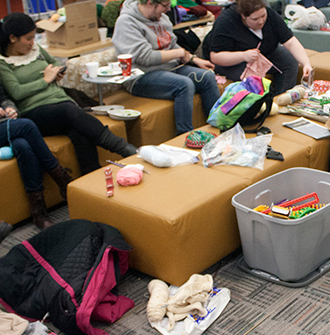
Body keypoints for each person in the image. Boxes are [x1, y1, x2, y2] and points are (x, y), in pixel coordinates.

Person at [0, 13, 137, 175]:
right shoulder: (3, 62)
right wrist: (46, 80)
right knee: (70, 111)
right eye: (28, 39)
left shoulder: (36, 49)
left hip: (60, 103)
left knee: (79, 132)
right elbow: (16, 92)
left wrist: (57, 72)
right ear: (13, 38)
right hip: (34, 111)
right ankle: (125, 148)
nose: (32, 43)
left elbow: (55, 63)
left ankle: (92, 176)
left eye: (33, 38)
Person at [112, 0, 221, 134]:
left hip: (169, 68)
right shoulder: (126, 22)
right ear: (150, 3)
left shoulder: (161, 17)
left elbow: (172, 44)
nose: (168, 9)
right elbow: (145, 57)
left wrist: (194, 59)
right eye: (165, 5)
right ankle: (186, 136)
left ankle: (220, 130)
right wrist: (180, 53)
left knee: (207, 76)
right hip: (141, 75)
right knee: (184, 84)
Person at [0, 84, 73, 229]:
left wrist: (10, 109)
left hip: (4, 124)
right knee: (27, 126)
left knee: (22, 145)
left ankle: (38, 212)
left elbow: (3, 98)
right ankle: (62, 179)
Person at [202, 0, 313, 94]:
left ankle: (281, 100)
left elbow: (290, 42)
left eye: (263, 16)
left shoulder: (270, 15)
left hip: (263, 50)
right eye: (255, 19)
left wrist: (306, 63)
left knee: (290, 62)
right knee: (252, 76)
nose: (261, 21)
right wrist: (243, 55)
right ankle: (258, 109)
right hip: (232, 59)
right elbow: (215, 57)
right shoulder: (226, 22)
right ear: (243, 17)